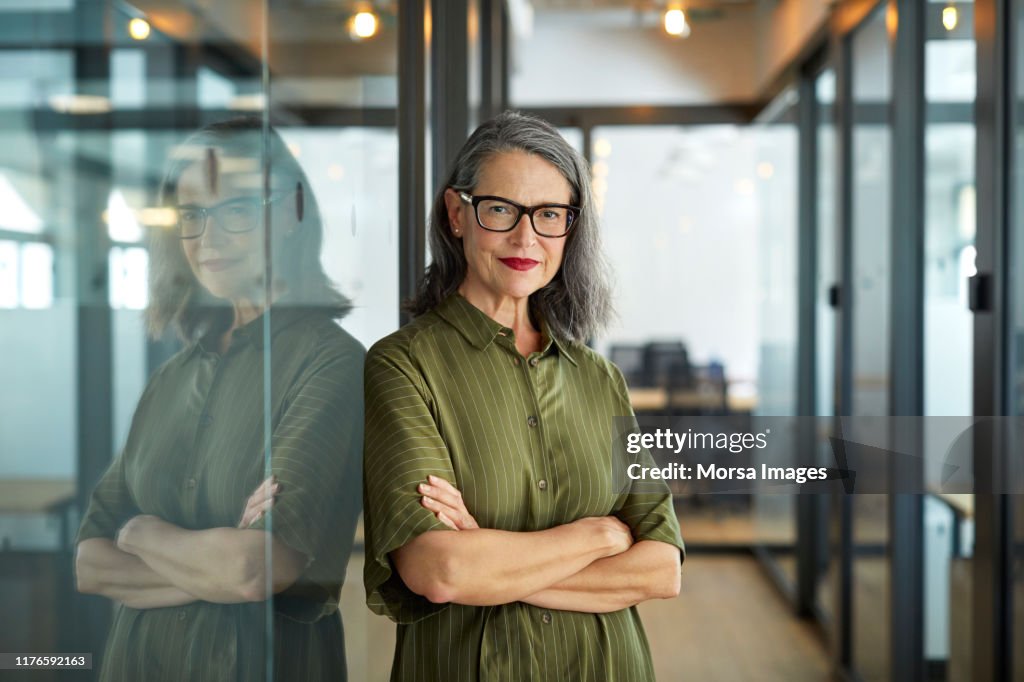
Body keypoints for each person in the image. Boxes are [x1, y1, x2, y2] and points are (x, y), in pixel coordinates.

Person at [363, 111, 685, 681]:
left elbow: (660, 570)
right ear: (457, 214)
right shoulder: (402, 365)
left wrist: (492, 560)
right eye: (501, 210)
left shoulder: (599, 378)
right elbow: (441, 571)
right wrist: (601, 535)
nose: (526, 237)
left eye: (550, 215)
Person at [74, 118, 363, 681]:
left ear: (287, 213)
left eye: (235, 210)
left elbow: (256, 568)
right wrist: (212, 563)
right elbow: (90, 564)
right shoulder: (172, 377)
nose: (207, 240)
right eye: (191, 215)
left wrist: (142, 533)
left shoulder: (333, 363)